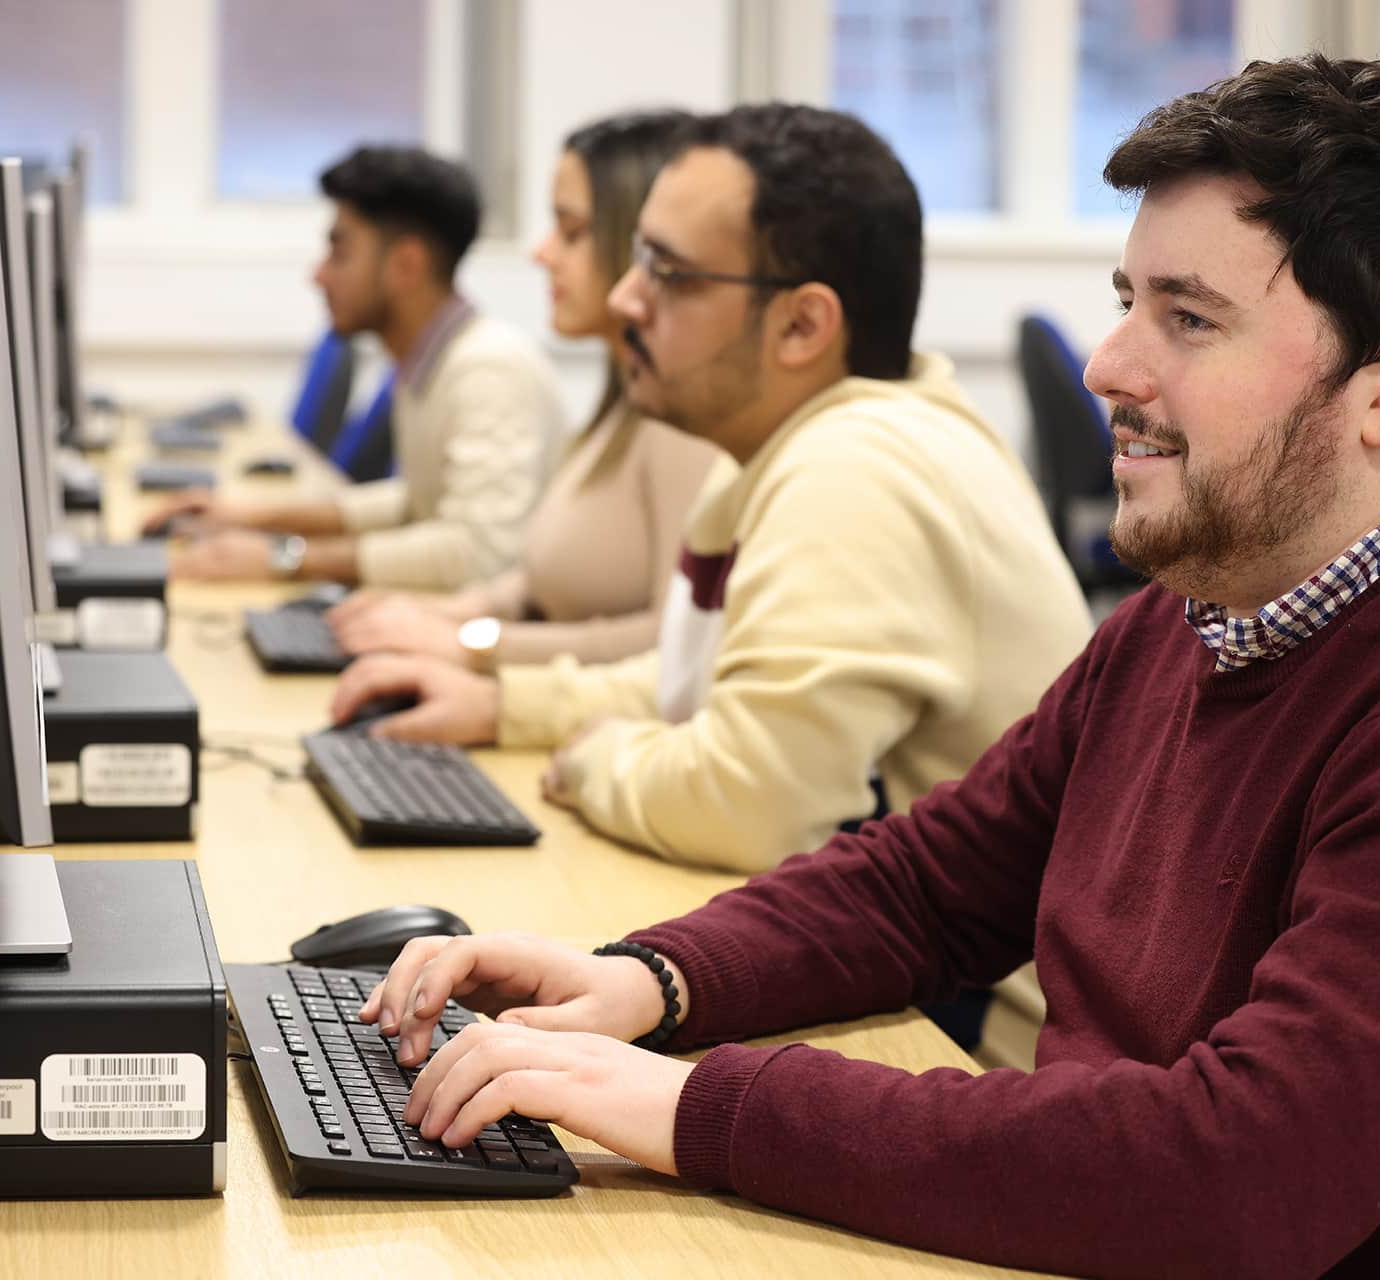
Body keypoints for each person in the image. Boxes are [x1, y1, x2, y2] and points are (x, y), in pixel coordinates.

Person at [352, 57, 1380, 1277]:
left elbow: (1241, 1170)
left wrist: (684, 1103)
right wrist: (646, 980)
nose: (1109, 365)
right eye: (1127, 300)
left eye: (1187, 318)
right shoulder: (1206, 605)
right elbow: (926, 885)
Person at [328, 104, 1092, 872]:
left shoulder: (859, 468)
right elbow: (692, 685)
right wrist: (507, 709)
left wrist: (595, 760)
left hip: (970, 993)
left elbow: (748, 808)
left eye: (668, 272)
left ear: (801, 326)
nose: (629, 298)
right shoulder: (775, 445)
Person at [326, 111, 721, 668]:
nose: (542, 253)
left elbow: (672, 645)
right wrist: (451, 615)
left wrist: (470, 644)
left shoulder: (685, 423)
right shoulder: (620, 401)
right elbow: (535, 582)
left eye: (572, 231)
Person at [148, 145, 565, 589]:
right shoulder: (434, 358)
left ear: (406, 265)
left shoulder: (488, 370)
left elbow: (480, 553)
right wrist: (252, 517)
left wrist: (284, 557)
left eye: (340, 253)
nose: (319, 275)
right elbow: (418, 504)